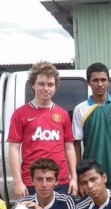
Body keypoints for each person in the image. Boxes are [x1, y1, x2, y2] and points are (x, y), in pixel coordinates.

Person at [7, 61, 77, 199]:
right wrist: (18, 181)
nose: (46, 88)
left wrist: (74, 177)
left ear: (55, 87)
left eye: (50, 84)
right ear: (33, 85)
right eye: (41, 84)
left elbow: (69, 147)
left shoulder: (62, 114)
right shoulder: (20, 114)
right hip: (32, 181)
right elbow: (13, 149)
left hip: (61, 180)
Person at [72, 62, 111, 192]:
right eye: (95, 80)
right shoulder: (80, 109)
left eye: (103, 80)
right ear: (88, 82)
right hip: (91, 175)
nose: (100, 84)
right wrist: (79, 175)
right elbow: (76, 144)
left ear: (108, 81)